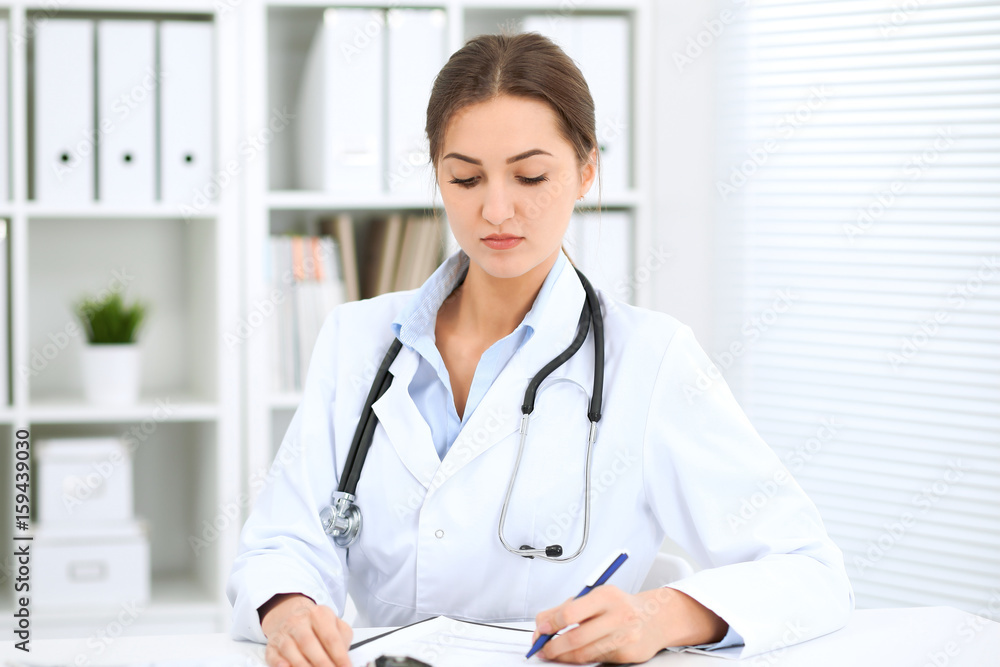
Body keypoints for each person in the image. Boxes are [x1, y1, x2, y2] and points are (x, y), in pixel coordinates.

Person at [227, 32, 853, 666]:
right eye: (466, 178)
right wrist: (292, 611)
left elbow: (809, 570)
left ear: (585, 171)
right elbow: (281, 546)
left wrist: (655, 615)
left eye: (530, 175)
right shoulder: (355, 340)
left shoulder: (652, 360)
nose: (496, 209)